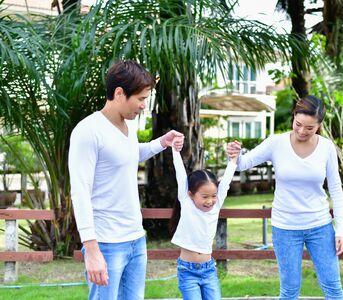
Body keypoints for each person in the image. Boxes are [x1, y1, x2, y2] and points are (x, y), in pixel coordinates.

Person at [68, 60, 184, 300]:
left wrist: (161, 143)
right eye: (140, 99)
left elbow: (128, 155)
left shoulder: (127, 127)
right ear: (119, 93)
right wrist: (92, 250)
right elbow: (80, 192)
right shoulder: (88, 131)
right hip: (106, 243)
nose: (143, 106)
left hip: (135, 239)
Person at [227, 95, 343, 300]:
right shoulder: (277, 143)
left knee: (333, 289)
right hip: (285, 228)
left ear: (319, 125)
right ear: (293, 116)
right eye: (298, 124)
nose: (301, 131)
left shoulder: (326, 148)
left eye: (309, 128)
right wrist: (233, 153)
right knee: (289, 291)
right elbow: (243, 163)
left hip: (320, 226)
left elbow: (335, 188)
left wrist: (341, 230)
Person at [170, 140, 239, 299]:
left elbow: (226, 181)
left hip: (209, 270)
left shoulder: (216, 205)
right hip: (187, 271)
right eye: (205, 197)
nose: (210, 201)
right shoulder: (187, 203)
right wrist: (175, 151)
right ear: (191, 194)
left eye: (214, 196)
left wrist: (233, 159)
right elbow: (180, 174)